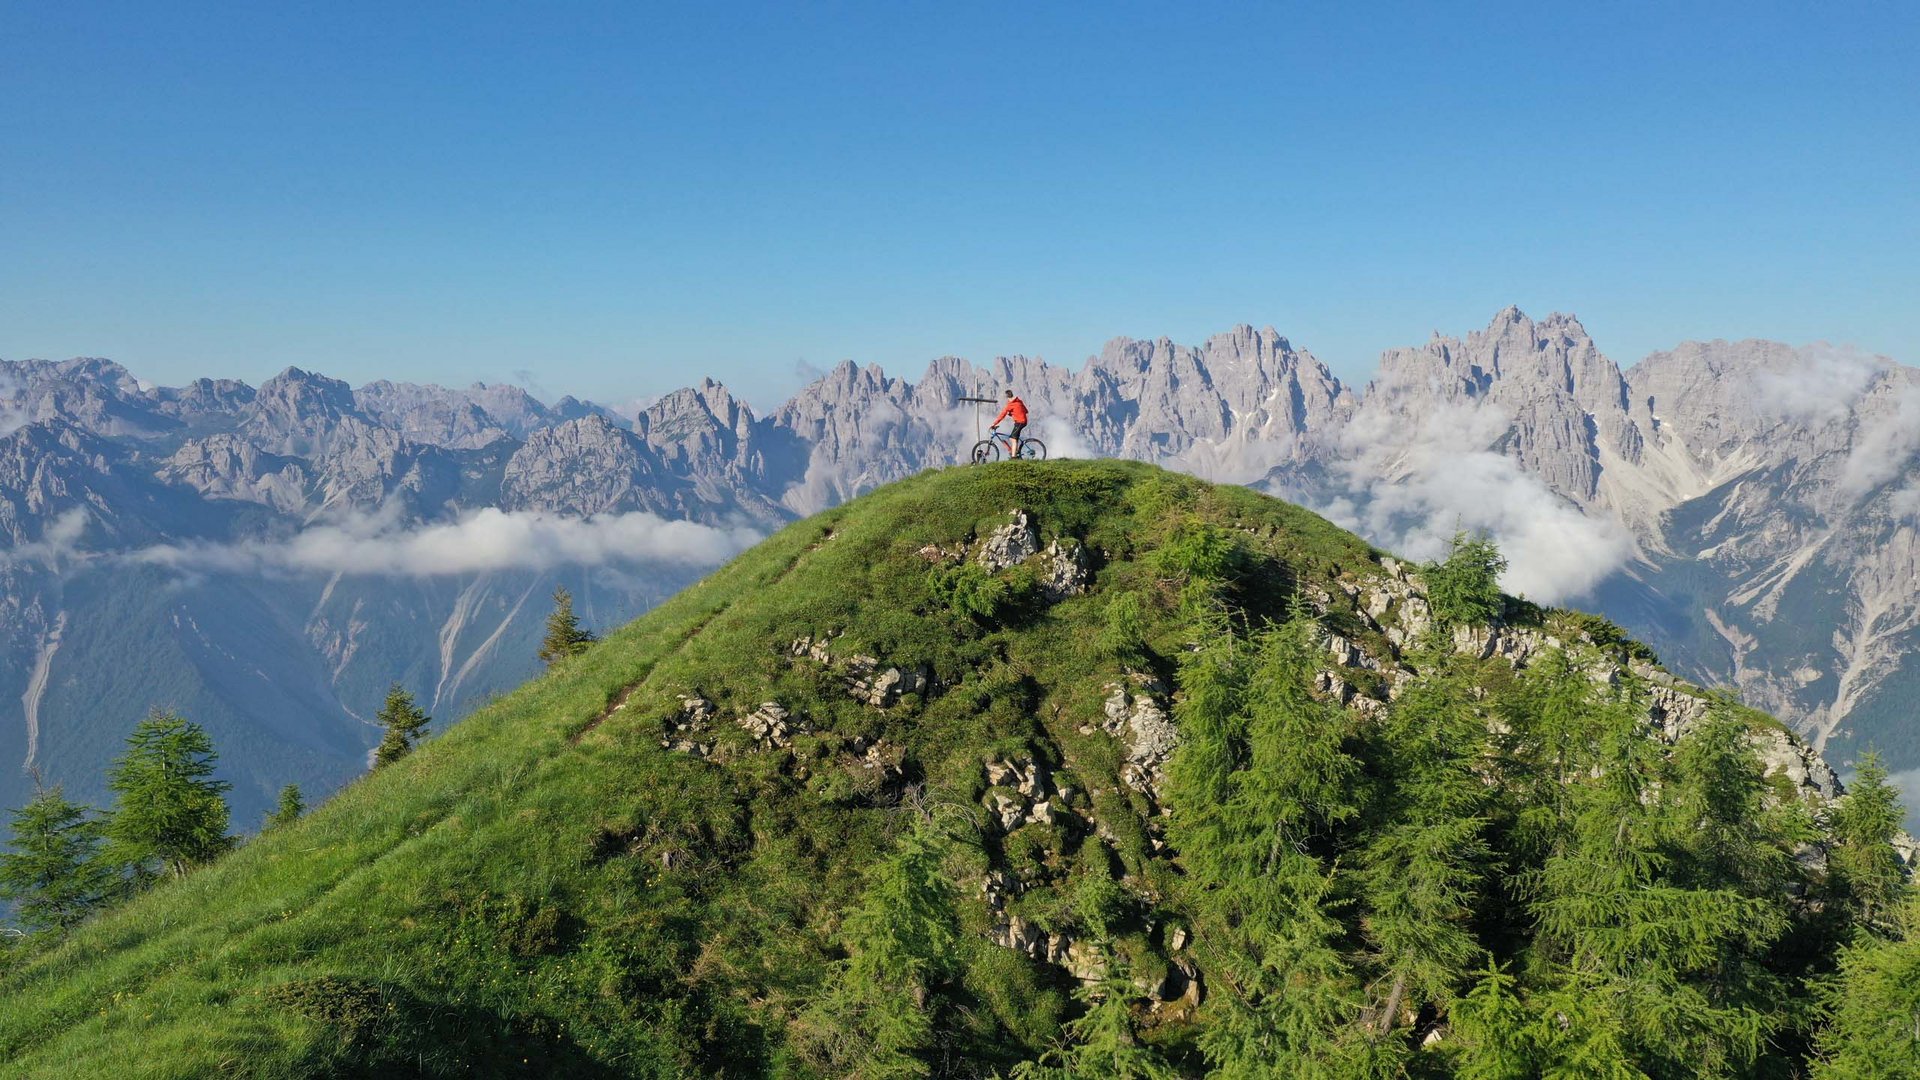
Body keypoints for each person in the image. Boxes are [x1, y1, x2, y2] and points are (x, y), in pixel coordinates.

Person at [991, 389, 1029, 458]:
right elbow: (1026, 411)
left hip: (1020, 422)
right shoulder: (1019, 401)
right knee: (1013, 438)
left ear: (1007, 397)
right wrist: (1013, 413)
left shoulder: (1010, 404)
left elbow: (1002, 415)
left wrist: (994, 423)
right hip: (1022, 421)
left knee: (1013, 439)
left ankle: (1013, 457)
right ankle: (1016, 452)